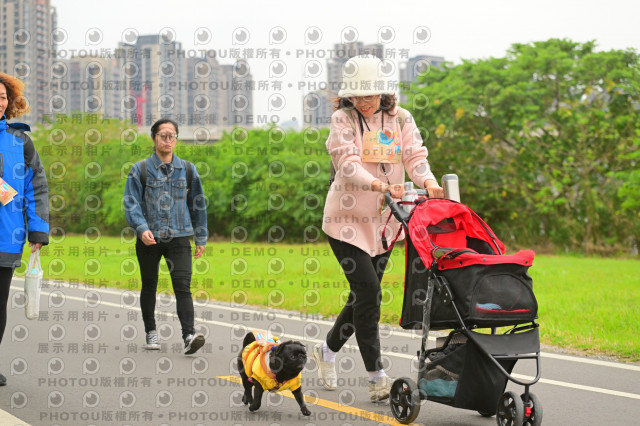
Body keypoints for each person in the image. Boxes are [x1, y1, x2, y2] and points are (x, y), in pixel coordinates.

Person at [313, 55, 444, 402]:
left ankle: (326, 351)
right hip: (345, 222)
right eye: (356, 95)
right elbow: (348, 164)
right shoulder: (343, 119)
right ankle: (377, 378)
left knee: (362, 297)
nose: (363, 101)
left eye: (369, 93)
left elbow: (415, 157)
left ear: (383, 91)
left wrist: (429, 182)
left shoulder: (401, 118)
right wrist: (378, 185)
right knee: (370, 294)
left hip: (385, 224)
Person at [124, 118, 208, 355]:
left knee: (183, 286)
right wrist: (141, 228)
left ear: (176, 140)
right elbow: (131, 203)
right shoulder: (140, 169)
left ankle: (189, 336)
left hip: (180, 236)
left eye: (172, 136)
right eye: (163, 135)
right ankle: (151, 332)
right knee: (149, 284)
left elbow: (198, 205)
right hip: (149, 238)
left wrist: (200, 237)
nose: (168, 140)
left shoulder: (188, 170)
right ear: (154, 138)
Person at [0, 73, 49, 386]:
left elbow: (37, 187)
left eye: (3, 97)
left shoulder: (20, 140)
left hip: (7, 236)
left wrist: (38, 231)